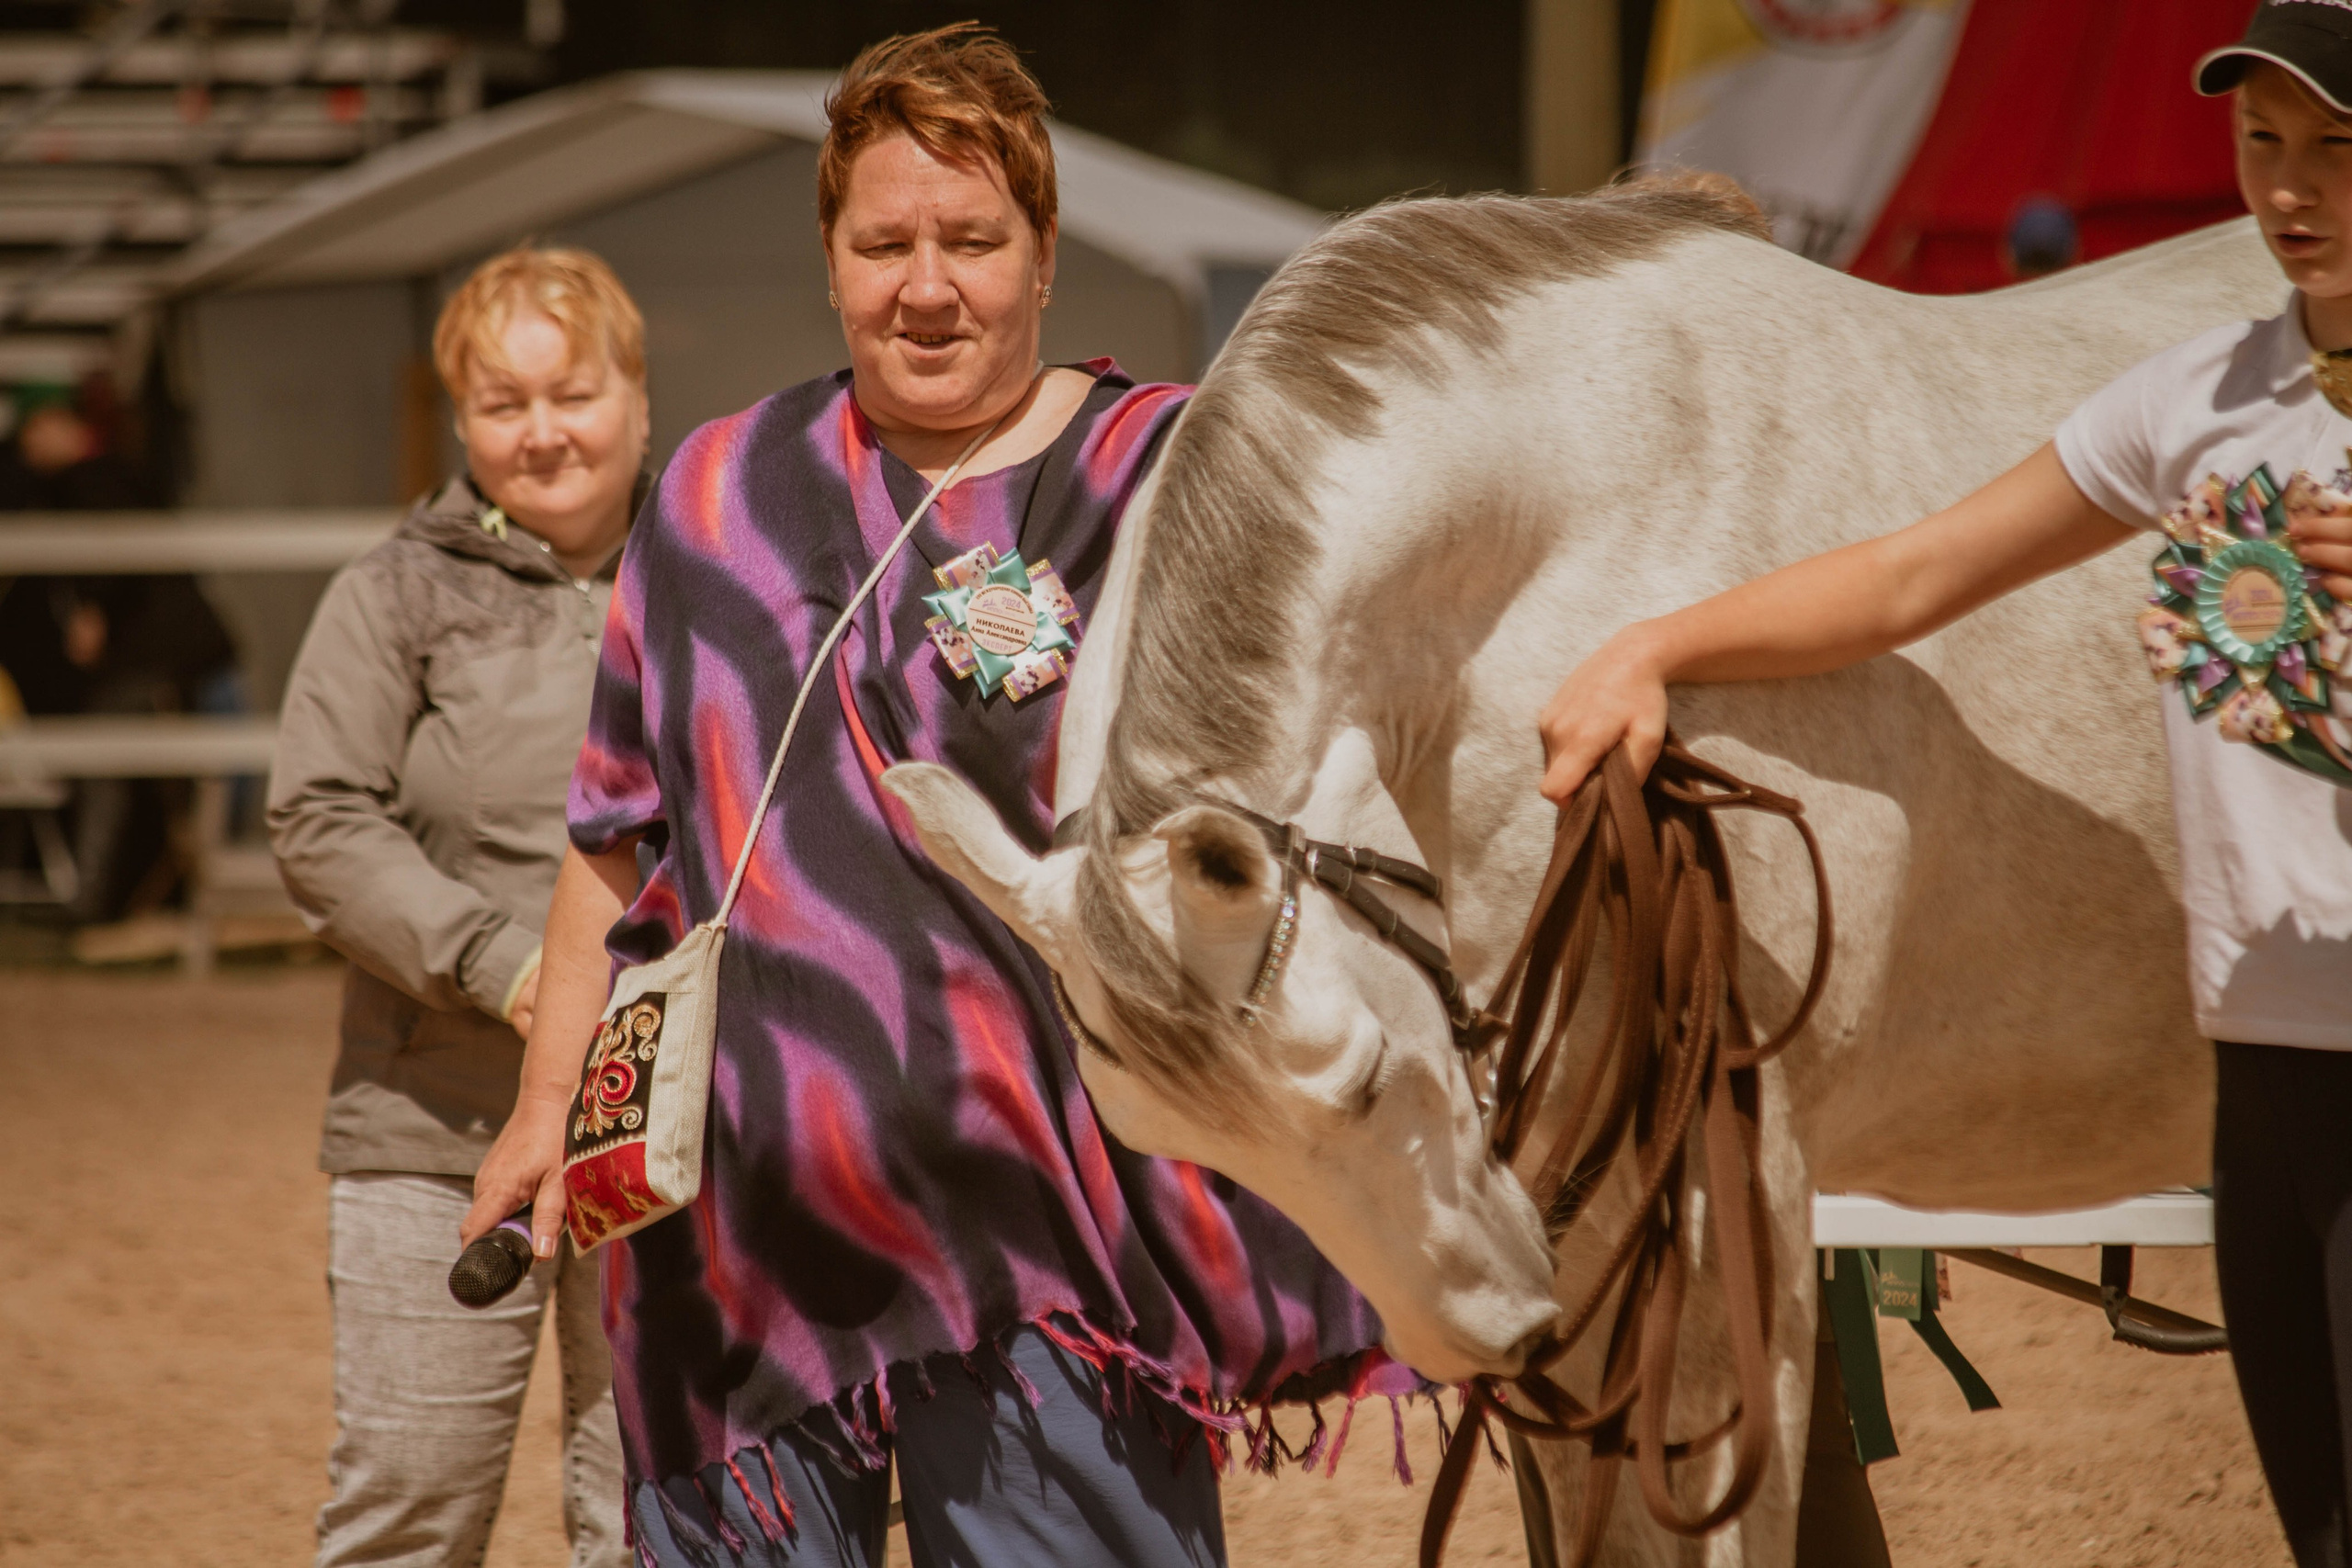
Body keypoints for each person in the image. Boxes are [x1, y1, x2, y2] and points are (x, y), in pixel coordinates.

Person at [462, 26, 1392, 1568]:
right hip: (739, 1242)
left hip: (1058, 1245)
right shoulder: (711, 495)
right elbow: (615, 839)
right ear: (830, 261)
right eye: (883, 242)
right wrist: (544, 1107)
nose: (928, 283)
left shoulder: (1161, 475)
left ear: (1043, 258)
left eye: (972, 239)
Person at [1538, 10, 2352, 1565]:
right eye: (2264, 144)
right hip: (2264, 1064)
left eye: (2337, 147)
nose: (2291, 190)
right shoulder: (2204, 393)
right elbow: (1917, 574)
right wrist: (1656, 644)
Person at [269, 246, 648, 1568]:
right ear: (462, 423)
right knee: (412, 1511)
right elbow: (318, 819)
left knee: (655, 1522)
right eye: (502, 403)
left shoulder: (718, 580)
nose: (542, 433)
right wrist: (507, 966)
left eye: (573, 392)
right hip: (432, 1122)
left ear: (639, 399)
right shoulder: (395, 594)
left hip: (665, 1134)